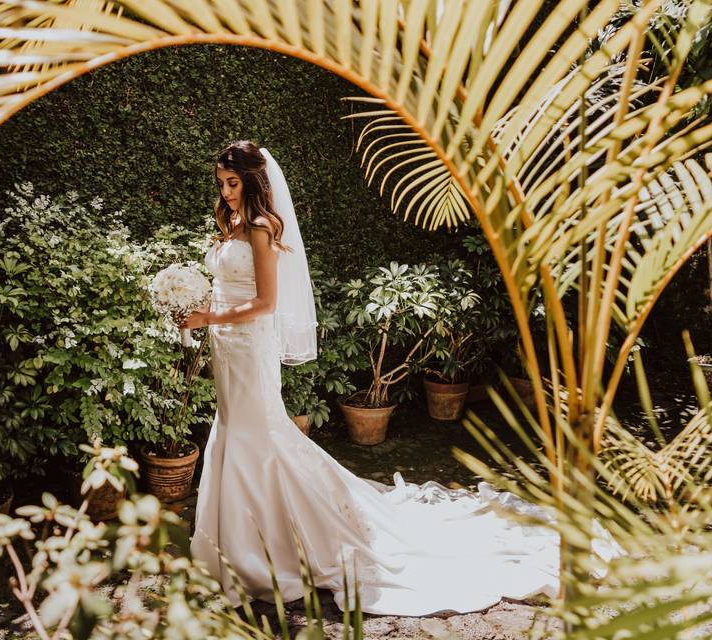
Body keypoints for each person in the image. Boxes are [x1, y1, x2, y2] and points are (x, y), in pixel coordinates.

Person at [178, 140, 568, 617]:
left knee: (257, 434)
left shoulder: (262, 228)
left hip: (247, 342)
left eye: (233, 183)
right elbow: (225, 286)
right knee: (237, 431)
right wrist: (196, 307)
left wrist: (209, 318)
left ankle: (267, 548)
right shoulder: (231, 223)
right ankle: (242, 542)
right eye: (221, 184)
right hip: (226, 344)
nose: (226, 192)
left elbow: (266, 303)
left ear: (254, 182)